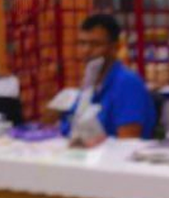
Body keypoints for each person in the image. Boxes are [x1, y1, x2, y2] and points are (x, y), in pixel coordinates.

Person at [62, 13, 156, 145]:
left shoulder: (127, 84)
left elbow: (127, 143)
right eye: (82, 43)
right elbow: (68, 130)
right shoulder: (88, 83)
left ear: (115, 48)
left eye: (95, 44)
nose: (86, 51)